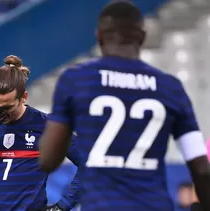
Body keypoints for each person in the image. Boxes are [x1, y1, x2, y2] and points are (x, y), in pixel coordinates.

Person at [39, 1, 210, 211]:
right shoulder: (170, 87)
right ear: (142, 36)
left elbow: (48, 159)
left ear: (99, 36)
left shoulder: (76, 80)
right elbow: (201, 167)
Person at [0, 55, 82, 211]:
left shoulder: (47, 125)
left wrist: (63, 206)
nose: (0, 112)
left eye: (7, 107)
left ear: (23, 97)